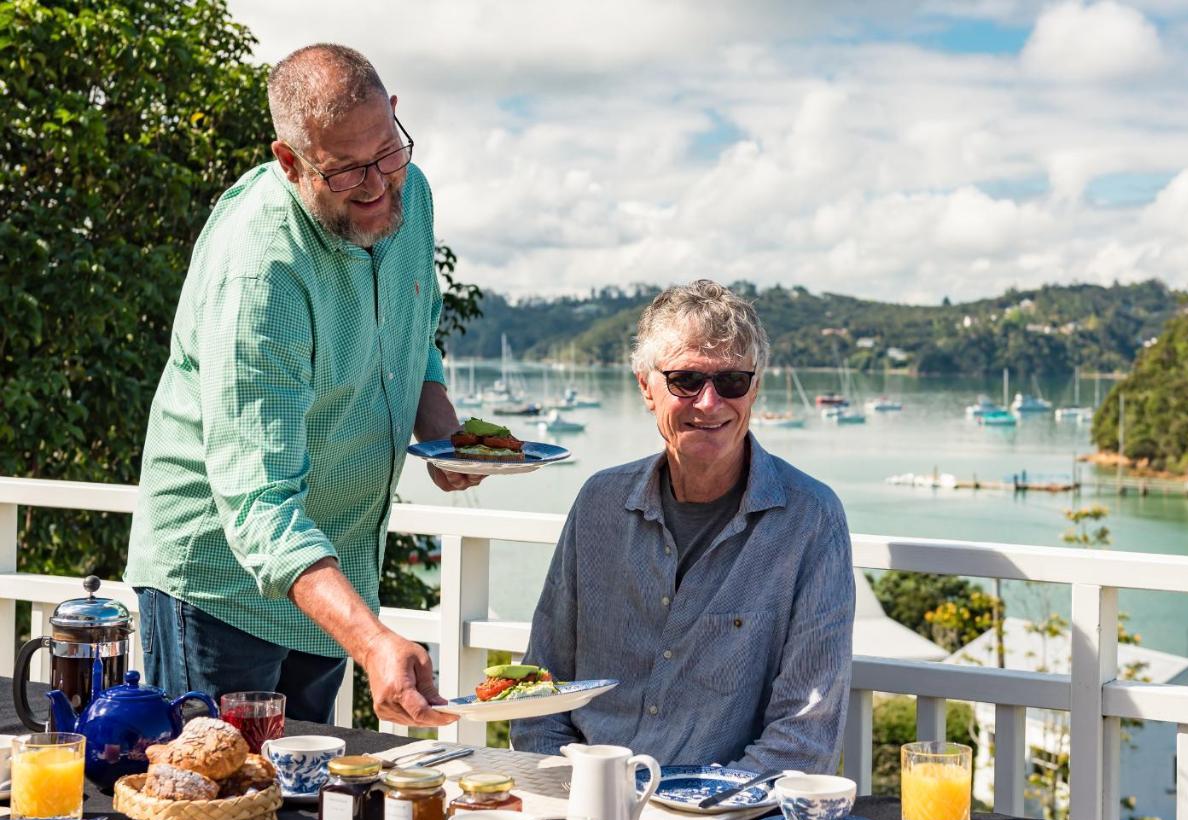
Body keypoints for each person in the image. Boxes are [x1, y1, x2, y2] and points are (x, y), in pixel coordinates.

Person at [125, 44, 470, 726]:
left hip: (332, 579)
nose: (376, 186)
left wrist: (441, 426)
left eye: (387, 153)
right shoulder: (260, 270)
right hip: (221, 585)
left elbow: (413, 319)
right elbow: (258, 504)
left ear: (395, 118)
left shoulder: (412, 191)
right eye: (344, 171)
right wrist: (373, 641)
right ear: (289, 161)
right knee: (220, 806)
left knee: (303, 806)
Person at [511, 280, 854, 773]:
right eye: (686, 380)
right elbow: (537, 693)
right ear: (645, 387)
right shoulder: (599, 504)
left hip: (722, 819)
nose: (710, 402)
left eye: (732, 381)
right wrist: (571, 790)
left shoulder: (810, 521)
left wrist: (683, 810)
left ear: (755, 388)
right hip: (582, 803)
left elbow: (804, 736)